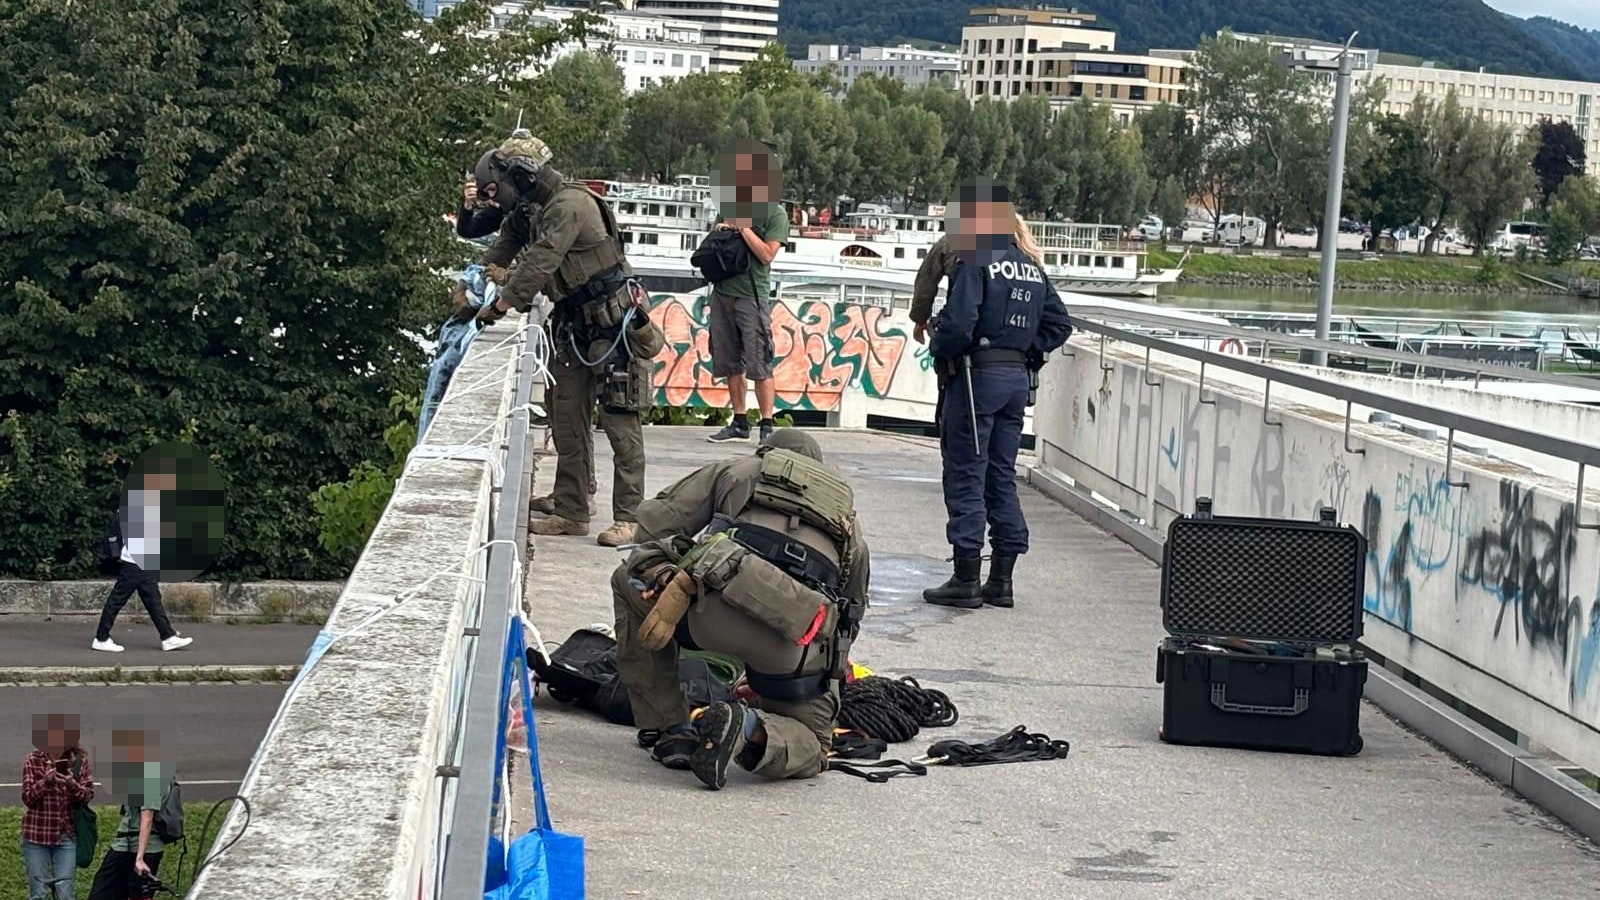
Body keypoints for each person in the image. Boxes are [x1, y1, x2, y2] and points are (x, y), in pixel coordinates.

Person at [611, 429, 869, 791]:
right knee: (813, 743)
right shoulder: (848, 520)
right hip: (792, 644)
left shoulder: (738, 470)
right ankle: (749, 729)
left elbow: (656, 525)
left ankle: (672, 728)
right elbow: (850, 616)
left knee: (626, 579)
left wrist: (664, 574)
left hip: (709, 615)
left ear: (768, 453)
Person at [470, 130, 660, 547]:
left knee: (620, 424)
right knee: (565, 417)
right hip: (574, 327)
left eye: (497, 188)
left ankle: (631, 518)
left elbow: (541, 261)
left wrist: (500, 305)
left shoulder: (569, 205)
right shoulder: (532, 209)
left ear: (520, 175)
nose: (497, 198)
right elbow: (505, 244)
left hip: (613, 327)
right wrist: (481, 276)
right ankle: (572, 507)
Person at [924, 183, 1072, 610]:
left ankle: (965, 577)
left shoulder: (976, 258)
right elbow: (1059, 324)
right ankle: (1002, 580)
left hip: (975, 379)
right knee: (1000, 475)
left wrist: (941, 346)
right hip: (1015, 380)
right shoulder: (1030, 264)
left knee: (966, 473)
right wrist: (1026, 350)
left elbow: (958, 325)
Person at [705, 141, 789, 445]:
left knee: (760, 362)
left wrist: (743, 229)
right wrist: (722, 231)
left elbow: (767, 254)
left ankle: (767, 424)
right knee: (729, 361)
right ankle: (739, 420)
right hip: (723, 292)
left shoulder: (776, 213)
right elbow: (714, 241)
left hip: (751, 296)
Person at [94, 468, 194, 653]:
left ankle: (168, 636)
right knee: (118, 599)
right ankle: (101, 638)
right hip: (136, 561)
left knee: (152, 600)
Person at [89, 727, 173, 900]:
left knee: (136, 895)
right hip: (124, 843)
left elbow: (147, 817)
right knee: (102, 891)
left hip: (144, 848)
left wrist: (140, 858)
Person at [21, 714, 94, 900]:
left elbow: (87, 795)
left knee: (66, 893)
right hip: (36, 835)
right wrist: (46, 781)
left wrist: (72, 785)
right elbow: (28, 797)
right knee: (38, 893)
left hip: (65, 836)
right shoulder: (34, 760)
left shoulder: (78, 761)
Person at [456, 173, 505, 241]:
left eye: (492, 188)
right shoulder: (495, 214)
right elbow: (466, 231)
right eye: (483, 195)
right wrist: (468, 203)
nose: (491, 195)